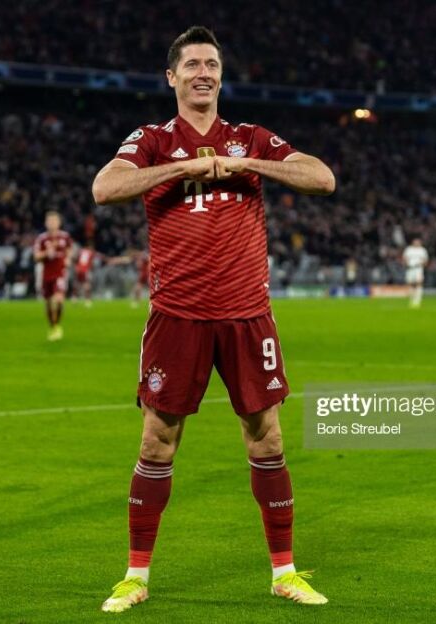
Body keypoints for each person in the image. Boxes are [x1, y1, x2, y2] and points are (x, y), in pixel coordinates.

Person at [91, 25, 335, 612]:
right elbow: (105, 187)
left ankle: (285, 572)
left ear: (221, 77)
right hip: (178, 316)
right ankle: (135, 577)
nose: (204, 73)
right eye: (193, 64)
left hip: (248, 316)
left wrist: (249, 163)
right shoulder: (152, 139)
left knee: (267, 435)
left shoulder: (249, 137)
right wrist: (179, 171)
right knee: (158, 441)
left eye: (212, 65)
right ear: (171, 77)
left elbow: (322, 178)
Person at [33, 211, 73, 340]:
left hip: (60, 273)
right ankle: (53, 326)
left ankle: (57, 326)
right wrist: (46, 253)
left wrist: (68, 259)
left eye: (54, 221)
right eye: (49, 221)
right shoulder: (42, 239)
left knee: (58, 299)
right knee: (49, 304)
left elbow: (70, 250)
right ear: (46, 223)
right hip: (46, 274)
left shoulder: (65, 237)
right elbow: (36, 256)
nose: (52, 223)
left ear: (59, 223)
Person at [402, 238, 428, 308]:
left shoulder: (422, 250)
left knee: (419, 283)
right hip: (410, 268)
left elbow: (425, 260)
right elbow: (405, 258)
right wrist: (406, 263)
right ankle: (412, 299)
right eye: (415, 242)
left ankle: (417, 300)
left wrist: (420, 264)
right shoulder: (408, 249)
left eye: (418, 242)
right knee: (410, 284)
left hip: (418, 269)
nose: (416, 243)